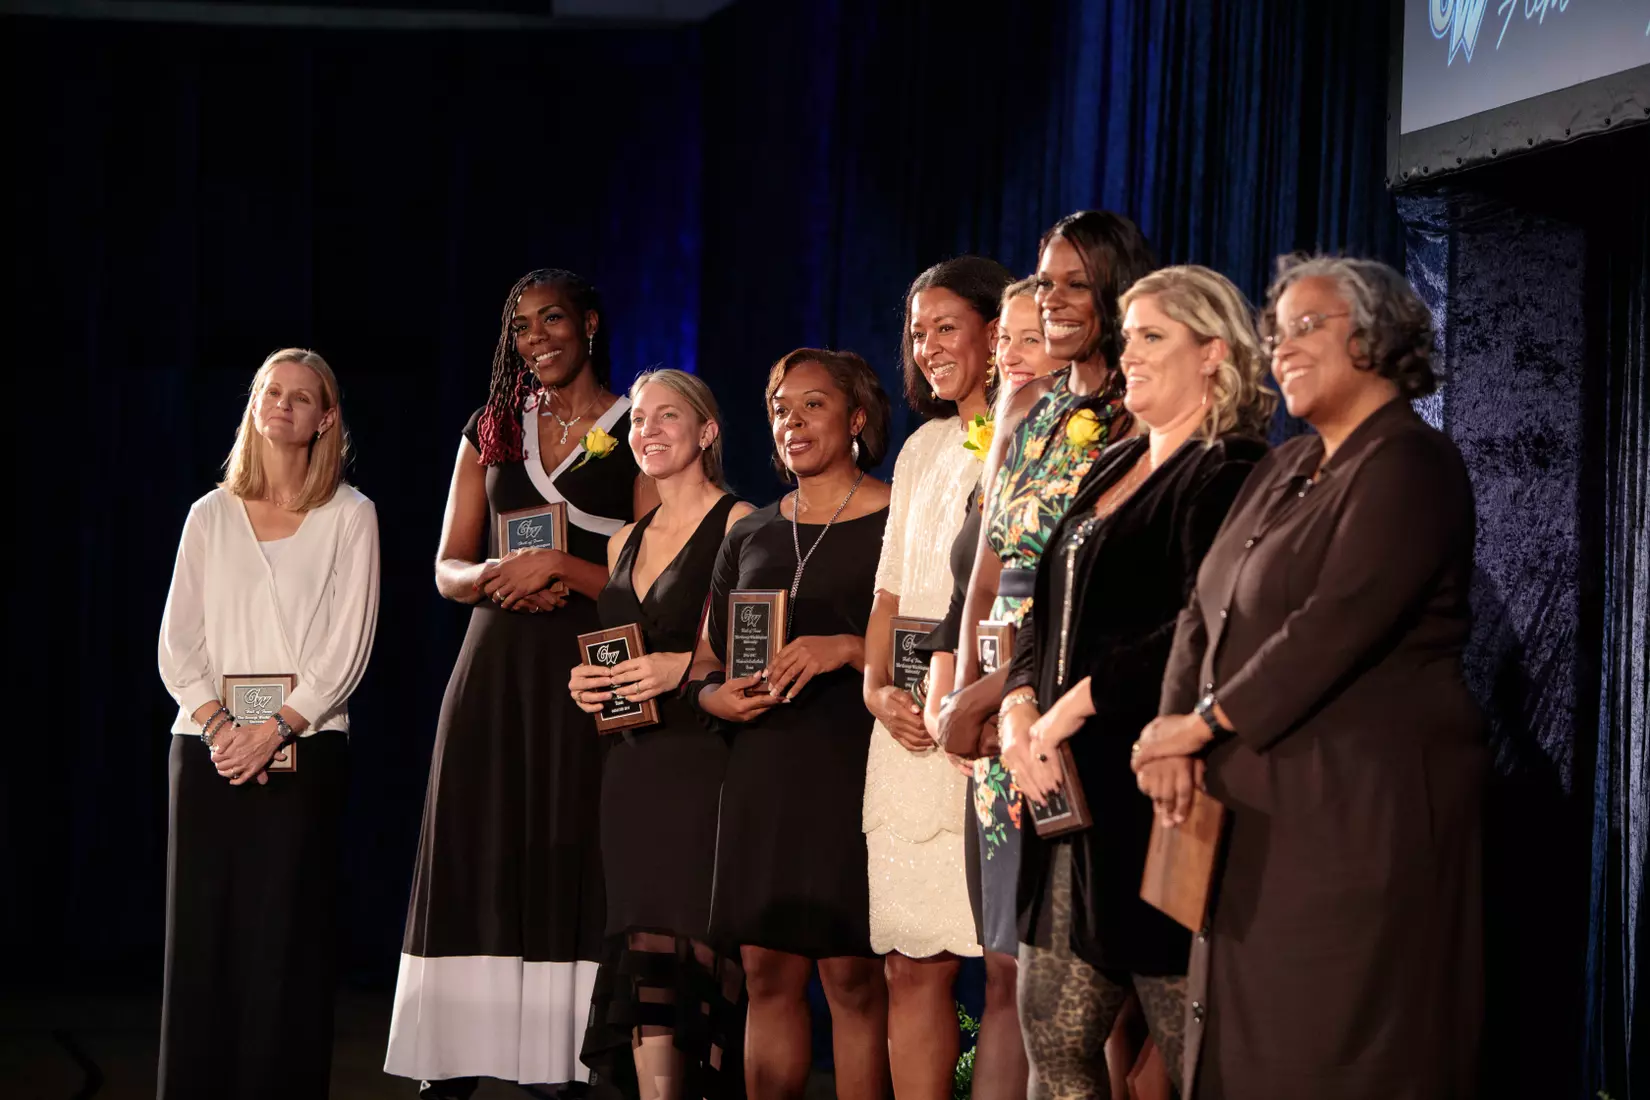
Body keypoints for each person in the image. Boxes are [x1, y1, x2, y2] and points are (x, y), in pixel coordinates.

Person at [1131, 256, 1484, 1100]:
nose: (1280, 347)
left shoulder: (1411, 463)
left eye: (1306, 326)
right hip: (1253, 820)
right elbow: (1200, 611)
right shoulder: (1283, 470)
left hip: (1359, 822)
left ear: (1373, 337)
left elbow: (1333, 624)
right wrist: (1171, 734)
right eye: (1274, 329)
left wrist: (1204, 725)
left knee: (1335, 1051)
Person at [995, 266, 1273, 1098]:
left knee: (1198, 1064)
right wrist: (1018, 712)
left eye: (1154, 335)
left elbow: (1203, 626)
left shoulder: (1231, 470)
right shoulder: (1109, 459)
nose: (1130, 351)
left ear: (1214, 353)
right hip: (1063, 796)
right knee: (1056, 1050)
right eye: (1130, 335)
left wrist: (1071, 709)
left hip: (1160, 797)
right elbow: (1038, 602)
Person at [386, 269, 659, 1098]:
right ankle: (456, 1056)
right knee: (481, 846)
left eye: (551, 321)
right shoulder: (491, 428)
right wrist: (494, 576)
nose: (535, 338)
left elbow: (657, 572)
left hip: (586, 672)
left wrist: (567, 569)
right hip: (495, 667)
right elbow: (445, 566)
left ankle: (563, 1059)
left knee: (571, 844)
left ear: (590, 324)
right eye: (521, 328)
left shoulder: (634, 426)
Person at [936, 213, 1157, 1091]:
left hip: (1088, 710)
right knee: (1020, 970)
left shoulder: (1145, 411)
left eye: (1074, 282)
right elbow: (983, 571)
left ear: (1114, 289)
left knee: (1116, 975)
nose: (1055, 300)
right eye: (1045, 279)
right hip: (1004, 724)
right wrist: (963, 692)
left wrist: (1017, 696)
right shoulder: (1026, 406)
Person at [157, 348, 381, 1099]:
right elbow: (176, 645)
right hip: (207, 750)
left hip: (306, 749)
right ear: (255, 408)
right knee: (203, 947)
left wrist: (277, 726)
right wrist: (225, 727)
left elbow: (347, 650)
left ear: (325, 418)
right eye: (269, 392)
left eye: (300, 396)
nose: (282, 404)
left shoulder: (351, 515)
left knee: (284, 947)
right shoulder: (209, 515)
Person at [689, 349, 893, 1100]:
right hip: (762, 772)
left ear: (857, 418)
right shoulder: (750, 532)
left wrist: (846, 649)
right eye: (780, 407)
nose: (793, 420)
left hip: (854, 767)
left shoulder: (896, 517)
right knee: (767, 971)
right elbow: (708, 657)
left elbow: (927, 638)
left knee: (851, 976)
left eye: (812, 404)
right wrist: (715, 698)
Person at [569, 369, 753, 1100]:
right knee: (642, 945)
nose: (646, 431)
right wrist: (585, 685)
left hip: (703, 760)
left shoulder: (744, 524)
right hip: (630, 766)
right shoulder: (622, 543)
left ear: (706, 432)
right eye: (638, 419)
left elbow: (749, 646)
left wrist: (682, 665)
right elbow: (611, 654)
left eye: (666, 416)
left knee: (695, 949)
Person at [861, 256, 1011, 1099]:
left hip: (983, 728)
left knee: (1001, 973)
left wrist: (972, 700)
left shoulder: (1040, 435)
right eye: (917, 334)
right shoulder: (920, 447)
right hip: (902, 738)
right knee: (908, 970)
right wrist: (877, 690)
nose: (927, 348)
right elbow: (888, 592)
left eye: (945, 327)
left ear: (998, 330)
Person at [910, 271, 1061, 1100]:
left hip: (1046, 721)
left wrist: (994, 695)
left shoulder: (1088, 443)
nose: (1009, 356)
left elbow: (1070, 602)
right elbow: (963, 598)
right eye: (1003, 340)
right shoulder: (999, 456)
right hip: (989, 747)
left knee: (1069, 981)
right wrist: (948, 693)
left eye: (1028, 337)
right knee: (1003, 970)